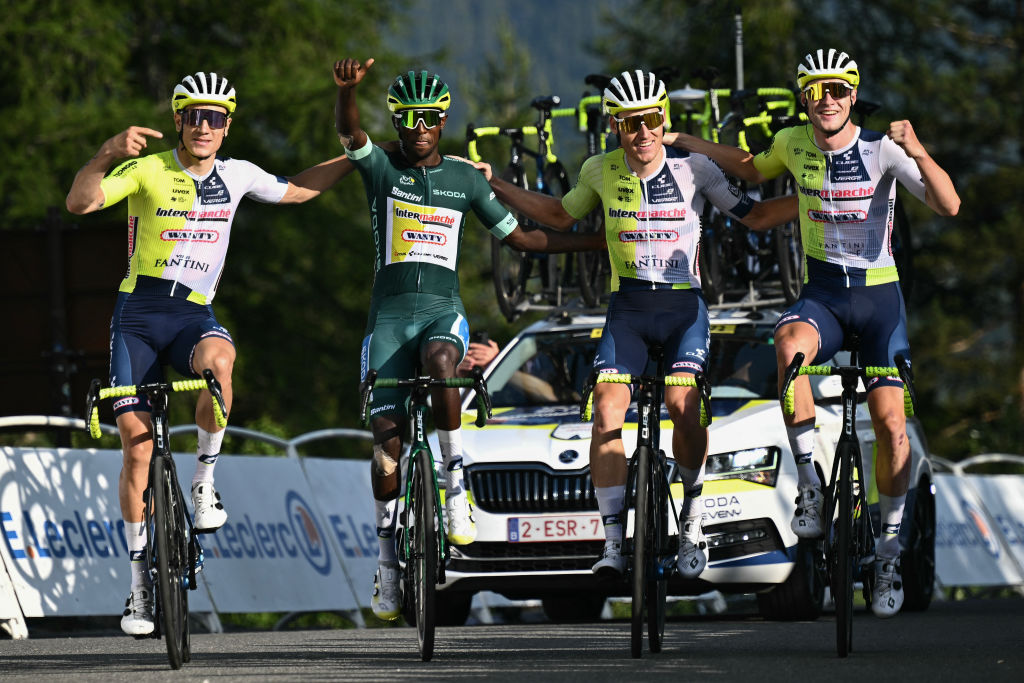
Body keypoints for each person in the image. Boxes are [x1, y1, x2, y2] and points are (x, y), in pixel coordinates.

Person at [472, 69, 798, 582]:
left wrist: (818, 198)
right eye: (630, 123)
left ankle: (692, 518)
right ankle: (612, 543)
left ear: (663, 118)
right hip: (628, 309)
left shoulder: (695, 168)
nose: (643, 132)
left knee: (682, 404)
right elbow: (558, 216)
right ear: (615, 127)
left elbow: (754, 216)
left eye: (650, 120)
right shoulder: (599, 170)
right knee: (605, 412)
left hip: (683, 308)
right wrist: (493, 184)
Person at [670, 48, 959, 617]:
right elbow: (749, 169)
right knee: (787, 346)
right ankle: (809, 483)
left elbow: (948, 205)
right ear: (803, 98)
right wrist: (687, 142)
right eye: (817, 91)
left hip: (879, 301)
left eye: (839, 90)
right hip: (823, 295)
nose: (828, 100)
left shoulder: (882, 149)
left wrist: (918, 149)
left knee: (892, 426)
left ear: (853, 95)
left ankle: (889, 553)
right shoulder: (791, 142)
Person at [66, 71, 355, 636]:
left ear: (227, 127)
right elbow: (79, 203)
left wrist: (359, 155)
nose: (204, 126)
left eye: (215, 117)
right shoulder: (148, 170)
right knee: (137, 449)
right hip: (138, 317)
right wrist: (106, 154)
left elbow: (299, 189)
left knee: (221, 363)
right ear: (179, 121)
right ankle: (139, 587)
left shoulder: (238, 174)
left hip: (192, 315)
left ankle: (203, 481)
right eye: (194, 116)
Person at [331, 57, 605, 621]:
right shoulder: (381, 168)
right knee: (385, 448)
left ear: (443, 120)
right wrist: (347, 92)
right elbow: (350, 134)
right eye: (409, 118)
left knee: (441, 361)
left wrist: (597, 243)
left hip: (441, 313)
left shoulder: (465, 180)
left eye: (430, 117)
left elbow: (523, 239)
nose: (420, 128)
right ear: (397, 122)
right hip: (387, 323)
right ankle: (387, 564)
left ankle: (454, 483)